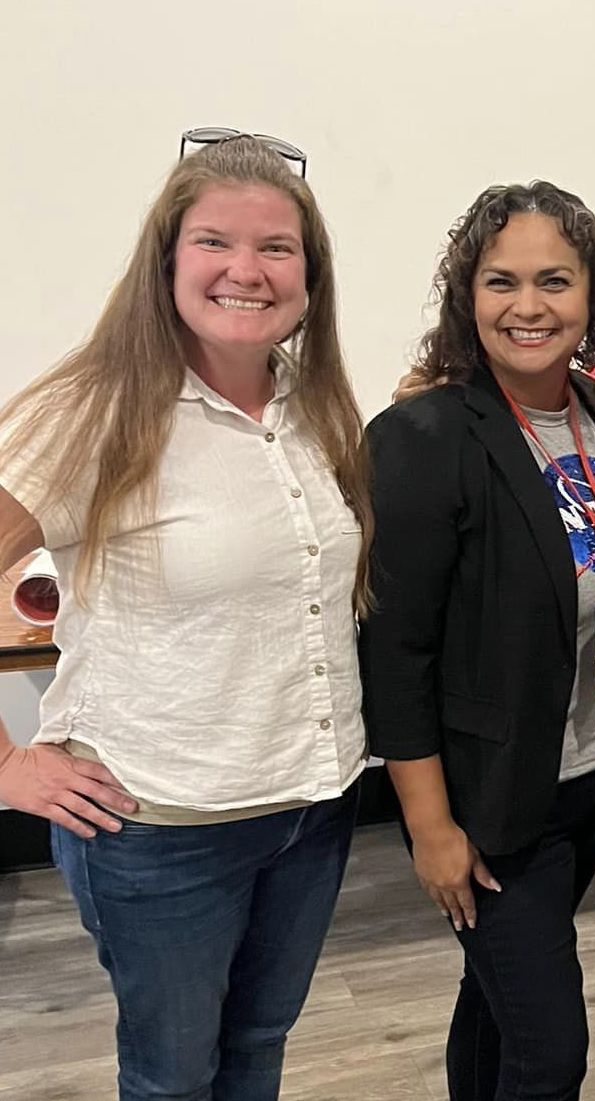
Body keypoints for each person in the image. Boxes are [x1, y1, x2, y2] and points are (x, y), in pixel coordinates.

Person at [0, 133, 370, 1100]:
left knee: (257, 1049)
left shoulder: (316, 405)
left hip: (311, 811)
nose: (246, 271)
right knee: (171, 1077)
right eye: (215, 241)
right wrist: (5, 766)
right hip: (159, 830)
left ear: (309, 274)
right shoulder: (95, 410)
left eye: (276, 248)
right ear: (166, 259)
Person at [358, 181, 595, 1101]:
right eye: (502, 281)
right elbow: (396, 649)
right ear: (469, 294)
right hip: (497, 805)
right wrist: (428, 826)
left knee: (494, 1001)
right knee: (551, 1051)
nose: (529, 306)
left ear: (593, 297)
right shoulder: (425, 434)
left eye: (555, 280)